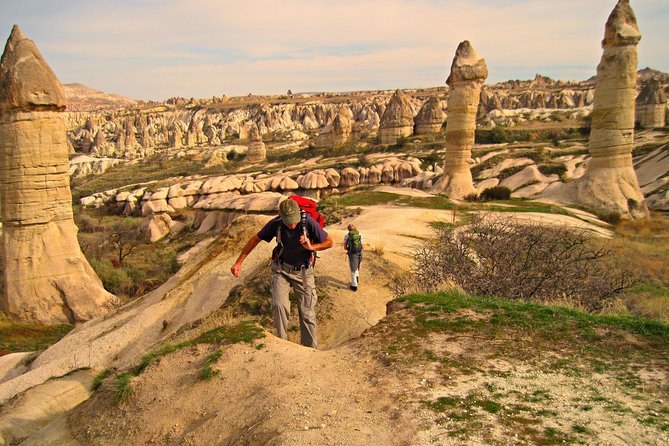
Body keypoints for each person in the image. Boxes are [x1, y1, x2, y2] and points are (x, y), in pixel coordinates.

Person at [230, 198, 333, 348]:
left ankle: (310, 350)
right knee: (279, 306)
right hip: (281, 270)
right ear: (282, 217)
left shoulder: (307, 221)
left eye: (294, 220)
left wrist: (311, 247)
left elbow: (329, 242)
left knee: (307, 313)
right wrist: (239, 262)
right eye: (288, 221)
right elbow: (255, 239)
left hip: (303, 272)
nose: (292, 224)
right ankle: (283, 345)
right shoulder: (276, 223)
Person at [343, 223, 363, 292]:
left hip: (352, 254)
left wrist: (349, 248)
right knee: (357, 266)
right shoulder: (359, 235)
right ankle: (357, 279)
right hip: (360, 253)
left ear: (348, 229)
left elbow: (345, 248)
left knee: (353, 269)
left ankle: (354, 286)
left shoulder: (346, 236)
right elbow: (362, 246)